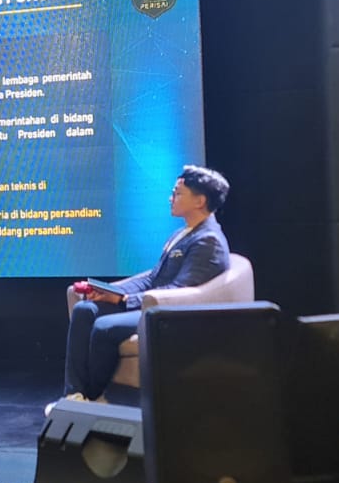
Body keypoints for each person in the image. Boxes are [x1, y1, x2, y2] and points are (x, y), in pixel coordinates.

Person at [61, 165, 230, 404]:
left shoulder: (208, 240)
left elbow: (180, 292)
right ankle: (74, 394)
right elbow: (153, 277)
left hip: (170, 313)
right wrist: (113, 291)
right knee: (84, 309)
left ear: (199, 201)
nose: (171, 198)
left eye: (178, 193)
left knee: (104, 327)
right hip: (150, 303)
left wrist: (125, 300)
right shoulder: (182, 233)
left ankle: (94, 396)